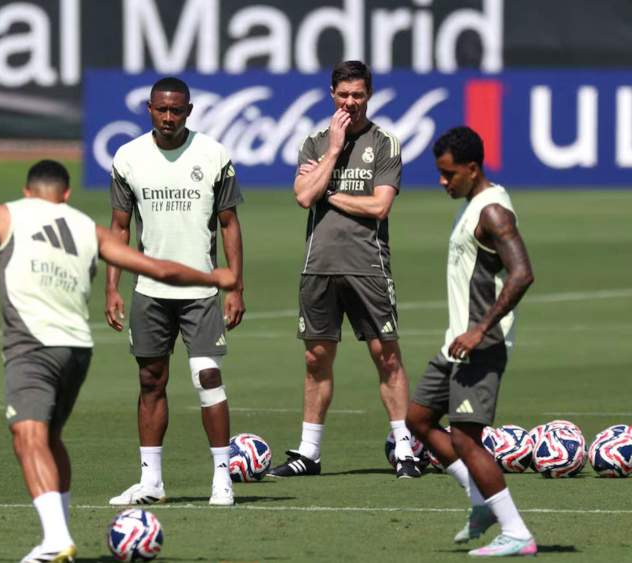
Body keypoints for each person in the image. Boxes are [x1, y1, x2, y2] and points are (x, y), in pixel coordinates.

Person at [0, 160, 235, 563]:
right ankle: (60, 536)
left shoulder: (6, 215)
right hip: (76, 351)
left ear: (27, 191)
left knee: (28, 437)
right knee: (50, 438)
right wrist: (214, 278)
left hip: (32, 347)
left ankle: (55, 539)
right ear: (67, 194)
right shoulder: (88, 228)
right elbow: (158, 268)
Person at [268, 60, 419, 479]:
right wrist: (333, 151)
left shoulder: (384, 142)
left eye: (358, 95)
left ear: (369, 95)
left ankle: (405, 449)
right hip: (318, 265)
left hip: (368, 264)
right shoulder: (316, 142)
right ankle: (309, 453)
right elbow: (303, 197)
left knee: (386, 356)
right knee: (316, 358)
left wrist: (328, 190)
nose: (350, 102)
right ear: (331, 94)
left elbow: (379, 205)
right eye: (344, 95)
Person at [105, 76, 245, 507]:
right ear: (149, 109)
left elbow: (229, 224)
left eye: (177, 110)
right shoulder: (128, 158)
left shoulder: (213, 154)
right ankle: (151, 481)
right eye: (162, 109)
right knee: (150, 380)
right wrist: (112, 287)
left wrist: (235, 286)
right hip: (150, 290)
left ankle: (222, 477)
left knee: (207, 376)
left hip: (201, 289)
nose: (169, 117)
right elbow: (119, 228)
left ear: (189, 111)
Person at [406, 126, 537, 557]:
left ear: (473, 169)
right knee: (418, 419)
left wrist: (480, 329)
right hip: (456, 344)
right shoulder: (473, 206)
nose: (442, 181)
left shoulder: (494, 212)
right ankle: (481, 499)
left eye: (449, 174)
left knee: (465, 439)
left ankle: (516, 532)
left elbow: (522, 274)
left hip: (481, 345)